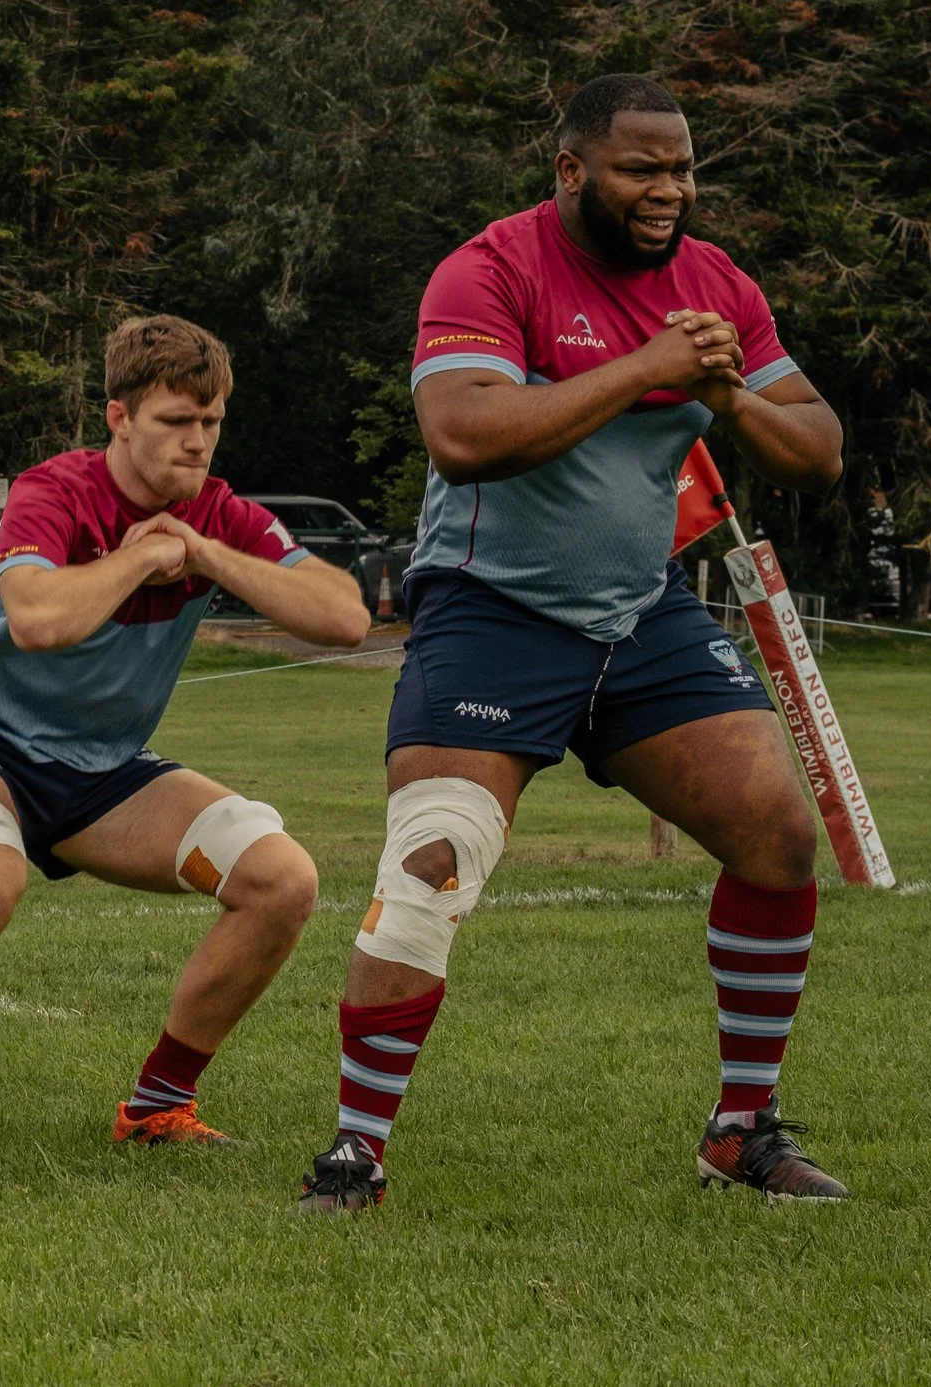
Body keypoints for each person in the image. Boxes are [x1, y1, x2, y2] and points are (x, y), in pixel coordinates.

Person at [296, 73, 851, 1213]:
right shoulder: (489, 268)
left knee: (776, 832)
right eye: (640, 167)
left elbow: (819, 446)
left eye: (682, 168)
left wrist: (728, 397)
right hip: (492, 609)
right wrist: (648, 367)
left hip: (638, 614)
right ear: (571, 170)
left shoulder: (715, 284)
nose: (668, 190)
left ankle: (739, 1128)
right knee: (432, 857)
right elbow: (461, 435)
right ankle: (356, 1150)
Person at [0, 316, 371, 1166]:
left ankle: (159, 1104)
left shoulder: (218, 512)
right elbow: (34, 616)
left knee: (282, 880)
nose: (197, 441)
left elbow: (344, 616)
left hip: (102, 774)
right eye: (176, 421)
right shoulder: (54, 490)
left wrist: (202, 550)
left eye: (211, 422)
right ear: (119, 416)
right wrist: (137, 561)